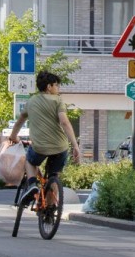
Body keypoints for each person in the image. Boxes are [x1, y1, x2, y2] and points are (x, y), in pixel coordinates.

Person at [9, 68, 81, 210]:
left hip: (40, 147)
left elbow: (19, 121)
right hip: (60, 147)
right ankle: (50, 208)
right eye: (56, 85)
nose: (58, 88)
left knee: (30, 161)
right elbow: (65, 122)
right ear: (49, 87)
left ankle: (31, 185)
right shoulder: (58, 101)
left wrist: (13, 136)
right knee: (53, 174)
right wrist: (75, 146)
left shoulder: (31, 102)